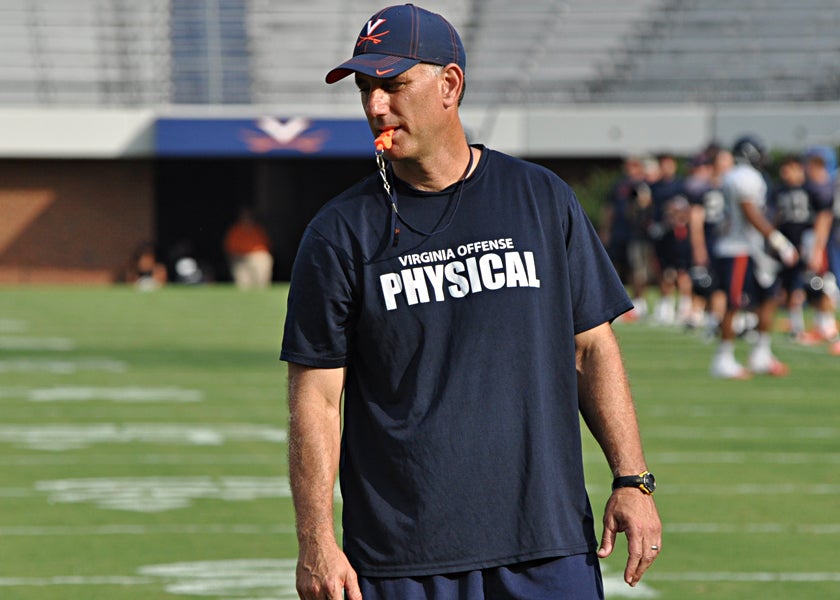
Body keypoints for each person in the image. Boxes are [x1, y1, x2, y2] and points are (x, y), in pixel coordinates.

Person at [279, 5, 661, 600]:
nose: (376, 106)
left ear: (449, 85)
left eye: (394, 85)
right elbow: (317, 400)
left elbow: (591, 349)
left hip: (546, 546)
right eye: (366, 89)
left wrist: (632, 479)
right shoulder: (338, 232)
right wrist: (316, 543)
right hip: (399, 559)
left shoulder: (540, 199)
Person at [709, 135, 799, 379]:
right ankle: (723, 359)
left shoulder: (734, 176)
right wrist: (779, 241)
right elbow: (750, 212)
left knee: (769, 297)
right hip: (738, 248)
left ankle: (761, 353)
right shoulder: (745, 177)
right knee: (735, 303)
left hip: (749, 249)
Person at [223, 206, 274, 289]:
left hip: (258, 257)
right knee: (244, 286)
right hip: (241, 259)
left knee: (264, 260)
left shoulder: (258, 230)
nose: (246, 219)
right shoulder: (235, 231)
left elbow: (267, 247)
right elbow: (229, 250)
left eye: (249, 216)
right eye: (244, 216)